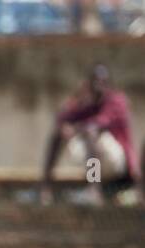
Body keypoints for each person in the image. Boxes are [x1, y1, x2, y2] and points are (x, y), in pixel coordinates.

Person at [42, 64, 139, 204]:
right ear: (89, 84)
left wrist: (74, 129)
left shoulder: (117, 100)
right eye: (96, 82)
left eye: (103, 82)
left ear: (109, 84)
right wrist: (78, 99)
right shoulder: (89, 103)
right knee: (59, 133)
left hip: (120, 166)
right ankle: (45, 186)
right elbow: (62, 119)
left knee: (91, 132)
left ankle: (94, 190)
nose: (99, 85)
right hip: (103, 166)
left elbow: (100, 122)